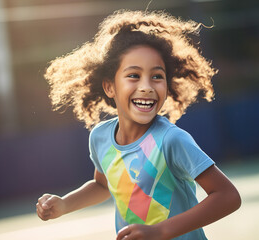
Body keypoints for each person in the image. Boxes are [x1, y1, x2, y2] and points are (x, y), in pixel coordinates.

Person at [36, 9, 241, 240]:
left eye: (157, 76)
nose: (147, 86)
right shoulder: (100, 137)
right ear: (109, 86)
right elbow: (103, 186)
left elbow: (228, 196)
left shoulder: (171, 140)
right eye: (133, 75)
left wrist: (160, 231)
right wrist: (64, 205)